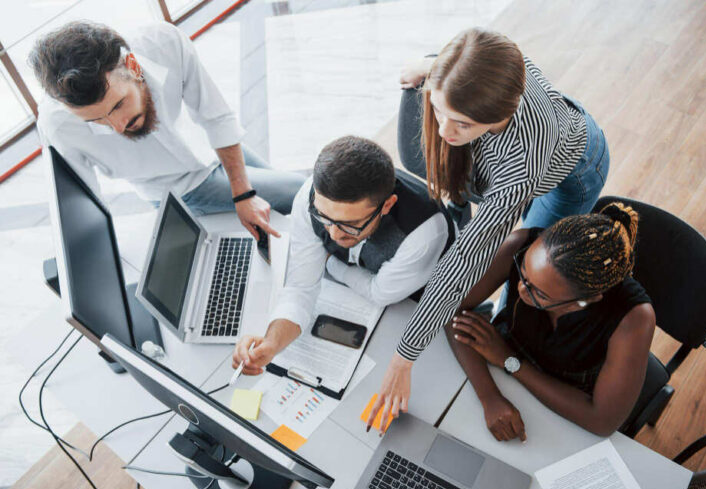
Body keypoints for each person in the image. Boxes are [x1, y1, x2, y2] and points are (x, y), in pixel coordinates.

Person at [367, 27, 610, 432]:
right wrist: (425, 70)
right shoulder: (484, 56)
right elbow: (454, 70)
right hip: (537, 124)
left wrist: (403, 358)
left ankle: (503, 323)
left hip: (572, 169)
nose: (445, 131)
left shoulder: (519, 167)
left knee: (528, 268)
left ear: (502, 112)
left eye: (461, 123)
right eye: (439, 110)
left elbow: (464, 261)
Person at [30, 21, 304, 239]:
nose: (117, 126)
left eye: (117, 106)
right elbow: (87, 204)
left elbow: (215, 116)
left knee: (300, 202)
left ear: (133, 67)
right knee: (303, 193)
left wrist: (243, 194)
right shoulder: (57, 126)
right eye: (95, 121)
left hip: (208, 148)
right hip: (179, 189)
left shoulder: (164, 43)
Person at [231, 136, 454, 374]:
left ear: (387, 206)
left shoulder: (423, 235)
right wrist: (272, 343)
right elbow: (300, 288)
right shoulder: (311, 197)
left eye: (351, 223)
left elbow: (379, 293)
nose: (334, 234)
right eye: (324, 217)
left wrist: (329, 263)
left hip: (419, 295)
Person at [448, 203, 654, 439]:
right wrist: (489, 396)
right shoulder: (519, 244)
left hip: (565, 406)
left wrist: (510, 361)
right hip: (496, 365)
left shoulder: (634, 319)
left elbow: (602, 421)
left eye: (539, 294)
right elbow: (449, 307)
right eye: (523, 271)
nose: (520, 290)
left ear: (584, 301)